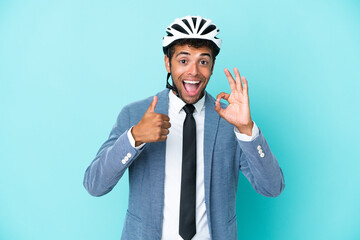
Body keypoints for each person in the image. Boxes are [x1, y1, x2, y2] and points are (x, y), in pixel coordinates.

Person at [83, 16, 285, 240]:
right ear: (167, 63)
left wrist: (247, 130)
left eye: (203, 61)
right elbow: (95, 184)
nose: (194, 72)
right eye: (183, 60)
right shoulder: (135, 115)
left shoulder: (230, 121)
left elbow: (272, 187)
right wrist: (134, 138)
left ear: (212, 66)